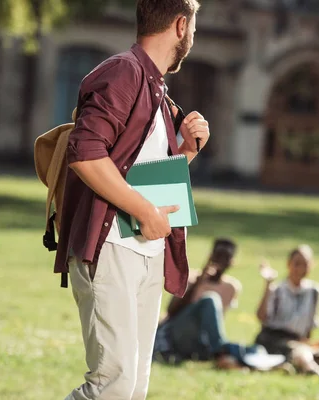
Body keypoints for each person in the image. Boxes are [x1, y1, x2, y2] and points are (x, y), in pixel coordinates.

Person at [56, 1, 209, 399]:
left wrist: (185, 153)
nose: (193, 35)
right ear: (181, 26)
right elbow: (85, 154)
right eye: (194, 26)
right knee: (113, 386)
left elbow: (138, 173)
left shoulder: (155, 86)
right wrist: (143, 211)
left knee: (132, 388)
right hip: (111, 248)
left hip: (146, 252)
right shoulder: (124, 71)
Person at [153, 238, 242, 366]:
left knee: (211, 300)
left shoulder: (231, 287)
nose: (220, 262)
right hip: (177, 333)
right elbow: (171, 311)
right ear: (211, 256)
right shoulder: (191, 278)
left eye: (225, 258)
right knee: (210, 299)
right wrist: (199, 281)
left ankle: (220, 353)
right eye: (218, 256)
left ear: (231, 262)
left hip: (199, 340)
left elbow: (217, 321)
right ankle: (221, 351)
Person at [254, 245, 319, 377]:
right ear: (288, 264)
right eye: (297, 264)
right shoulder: (277, 289)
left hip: (298, 340)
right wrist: (267, 285)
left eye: (305, 264)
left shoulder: (315, 291)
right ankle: (311, 368)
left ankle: (294, 362)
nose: (300, 269)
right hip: (273, 338)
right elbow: (261, 317)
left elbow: (309, 325)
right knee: (298, 350)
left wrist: (306, 342)